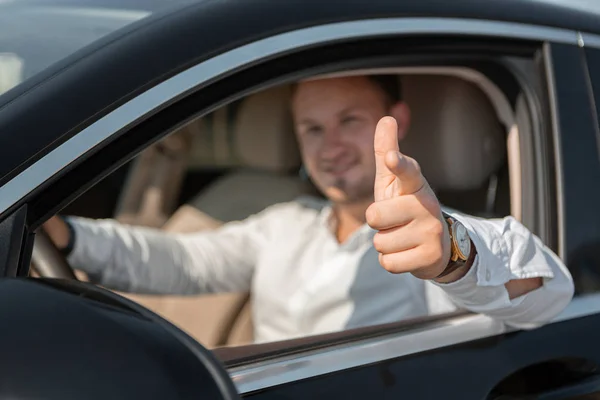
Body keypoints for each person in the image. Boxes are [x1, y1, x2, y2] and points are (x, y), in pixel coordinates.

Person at [44, 75, 574, 343]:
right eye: (312, 129)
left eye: (350, 121)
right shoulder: (283, 223)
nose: (330, 147)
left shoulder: (430, 238)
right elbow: (180, 261)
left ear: (398, 120)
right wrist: (65, 234)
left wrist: (455, 255)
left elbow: (549, 294)